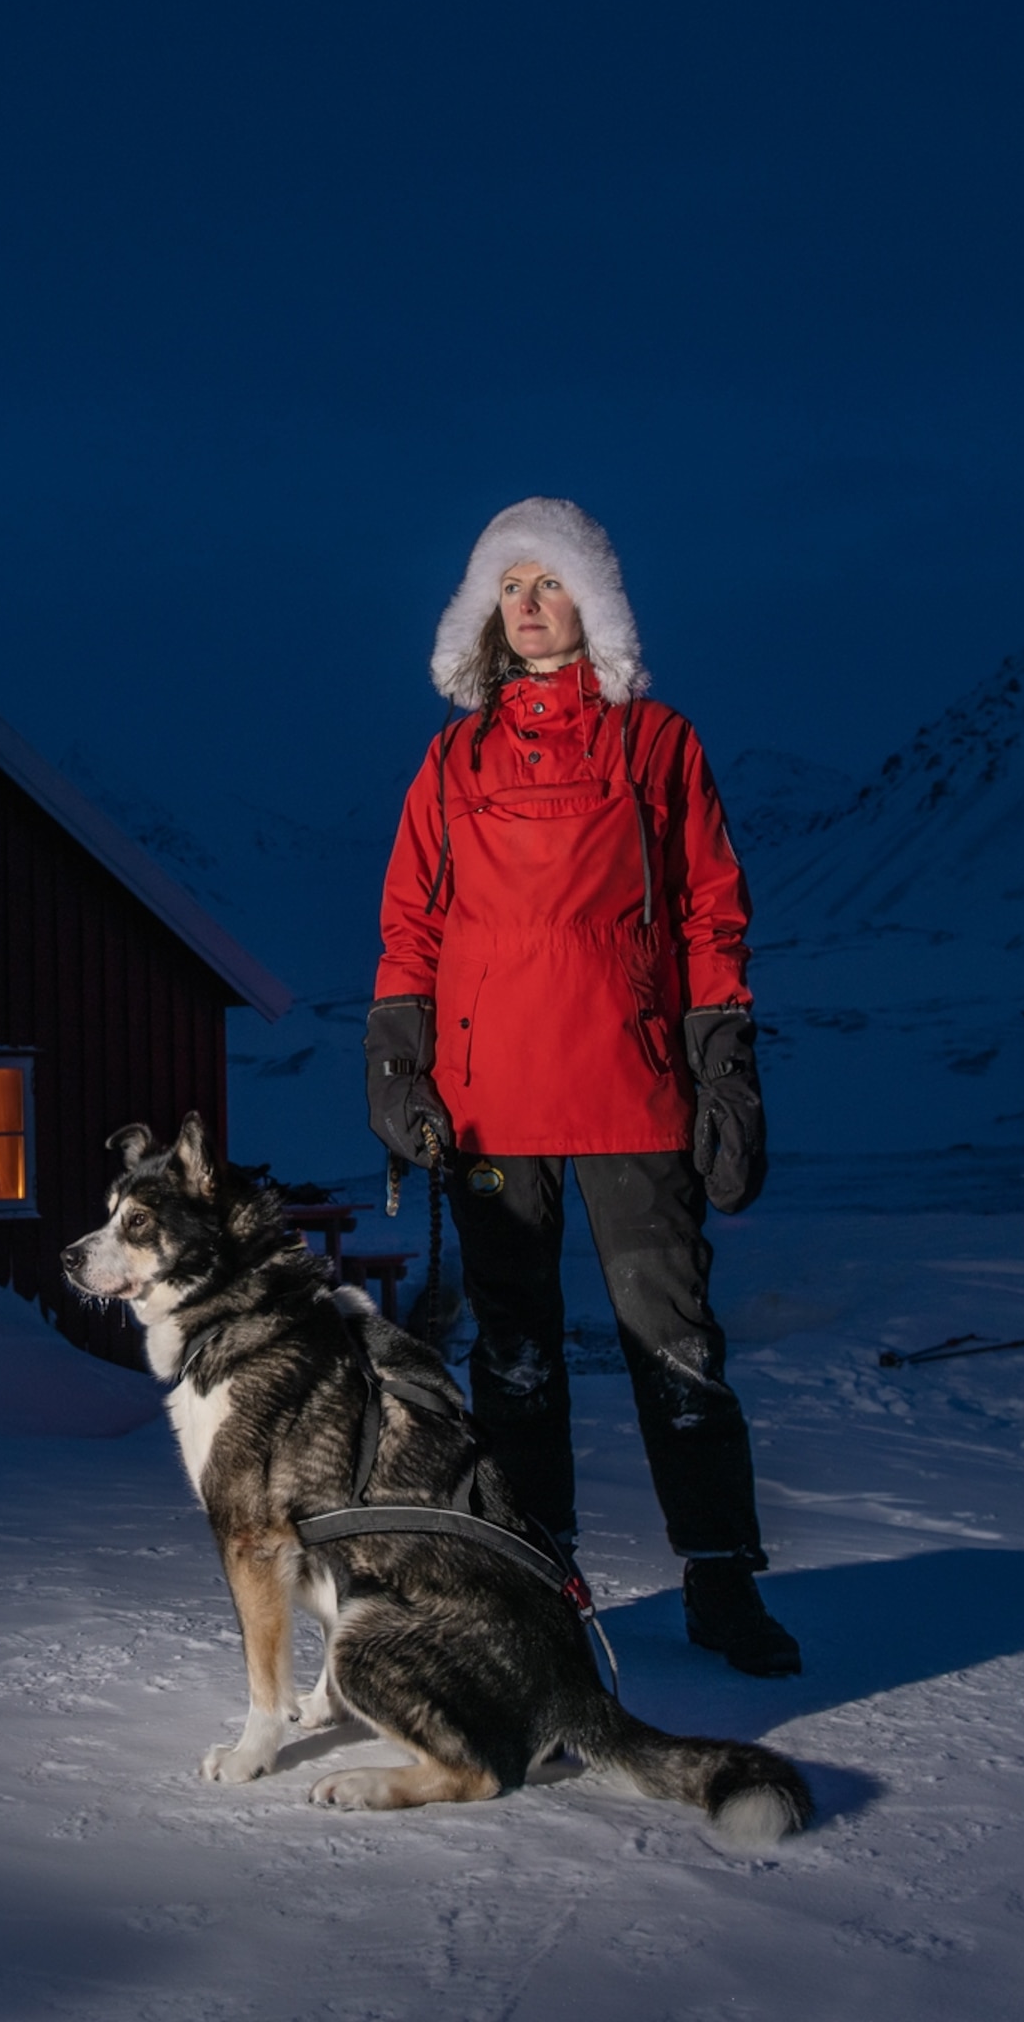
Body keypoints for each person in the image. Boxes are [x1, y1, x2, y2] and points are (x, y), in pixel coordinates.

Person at [363, 496, 798, 1678]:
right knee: (513, 1353)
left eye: (550, 581)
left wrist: (726, 1071)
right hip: (490, 1100)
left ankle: (721, 1581)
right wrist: (399, 1063)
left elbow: (713, 913)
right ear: (485, 615)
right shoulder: (450, 761)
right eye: (511, 586)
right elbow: (411, 920)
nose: (531, 604)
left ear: (592, 601)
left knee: (677, 1345)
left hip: (634, 1093)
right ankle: (535, 1577)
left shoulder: (660, 745)